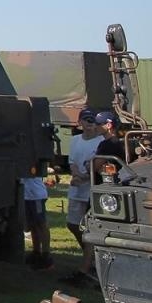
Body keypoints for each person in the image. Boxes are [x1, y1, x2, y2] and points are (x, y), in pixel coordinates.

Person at [60, 109, 105, 285]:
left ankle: (87, 266)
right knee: (72, 224)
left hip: (92, 187)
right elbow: (72, 161)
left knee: (89, 229)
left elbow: (97, 165)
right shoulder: (75, 140)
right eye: (86, 120)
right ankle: (90, 253)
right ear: (80, 122)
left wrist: (83, 177)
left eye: (92, 120)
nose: (89, 123)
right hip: (77, 186)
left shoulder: (101, 142)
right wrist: (76, 175)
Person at [22, 169, 53, 269]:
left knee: (41, 224)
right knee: (33, 225)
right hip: (27, 195)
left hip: (36, 196)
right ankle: (36, 252)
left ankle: (46, 256)